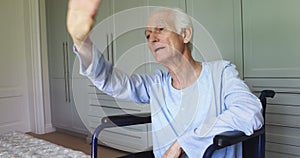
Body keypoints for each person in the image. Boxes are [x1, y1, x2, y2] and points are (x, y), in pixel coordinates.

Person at [67, 0, 264, 157]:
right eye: (147, 35)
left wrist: (182, 144)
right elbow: (111, 81)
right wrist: (82, 41)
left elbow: (250, 112)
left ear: (185, 34)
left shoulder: (221, 73)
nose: (152, 38)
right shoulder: (156, 85)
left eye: (160, 29)